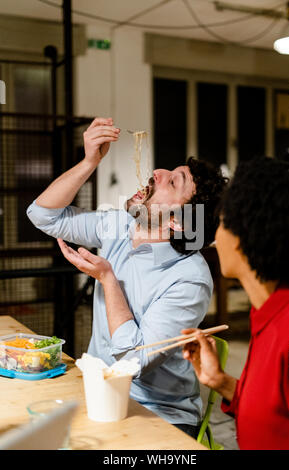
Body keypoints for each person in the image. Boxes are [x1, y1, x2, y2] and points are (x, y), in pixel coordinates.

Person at [27, 117, 227, 439]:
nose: (158, 173)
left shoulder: (190, 279)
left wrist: (107, 278)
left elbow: (133, 360)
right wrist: (91, 160)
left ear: (178, 223)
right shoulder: (122, 225)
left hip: (159, 413)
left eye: (173, 183)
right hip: (101, 393)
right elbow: (43, 215)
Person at [182, 156, 289, 449]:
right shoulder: (267, 312)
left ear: (242, 236)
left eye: (221, 223)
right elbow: (275, 415)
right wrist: (220, 381)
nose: (215, 238)